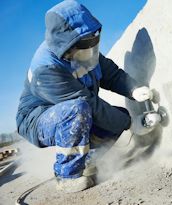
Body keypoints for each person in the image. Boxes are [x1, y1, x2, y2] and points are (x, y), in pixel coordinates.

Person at [16, 0, 156, 192]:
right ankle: (67, 176)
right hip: (37, 118)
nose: (90, 55)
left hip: (74, 108)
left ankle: (88, 161)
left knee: (116, 116)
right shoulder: (46, 68)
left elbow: (112, 75)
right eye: (83, 50)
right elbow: (87, 103)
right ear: (67, 48)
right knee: (80, 111)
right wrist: (130, 124)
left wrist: (133, 89)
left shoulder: (85, 50)